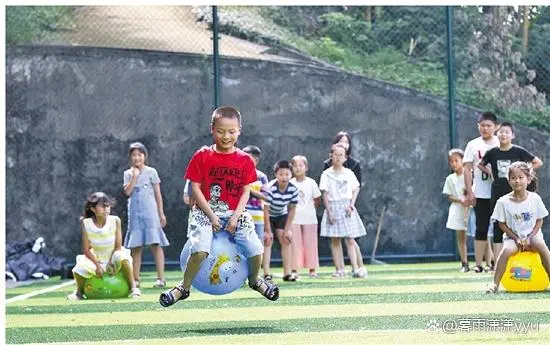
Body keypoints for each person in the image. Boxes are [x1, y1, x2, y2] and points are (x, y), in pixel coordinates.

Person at [159, 106, 279, 307]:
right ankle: (184, 287)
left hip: (235, 212)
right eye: (221, 131)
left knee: (256, 248)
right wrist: (212, 216)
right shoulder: (202, 155)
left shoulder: (245, 160)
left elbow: (245, 191)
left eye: (231, 132)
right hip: (204, 212)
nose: (226, 136)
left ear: (239, 130)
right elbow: (195, 188)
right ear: (212, 129)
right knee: (199, 252)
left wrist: (235, 217)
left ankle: (255, 280)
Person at [478, 122, 543, 263]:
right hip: (498, 194)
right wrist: (491, 173)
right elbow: (480, 164)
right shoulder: (492, 152)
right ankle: (497, 264)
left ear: (512, 135)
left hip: (518, 197)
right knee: (498, 227)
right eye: (501, 132)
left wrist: (526, 174)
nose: (503, 134)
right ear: (497, 134)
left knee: (520, 225)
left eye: (507, 132)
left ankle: (524, 261)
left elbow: (538, 162)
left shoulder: (518, 151)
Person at [485, 162, 550, 293]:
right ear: (508, 180)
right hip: (512, 238)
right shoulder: (502, 202)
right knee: (506, 251)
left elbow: (539, 221)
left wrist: (530, 237)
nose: (517, 181)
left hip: (533, 236)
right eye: (513, 178)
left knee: (542, 247)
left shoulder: (535, 198)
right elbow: (501, 224)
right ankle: (494, 284)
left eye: (521, 177)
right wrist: (516, 239)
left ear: (528, 179)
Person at [67, 192, 141, 300]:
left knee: (123, 257)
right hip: (96, 259)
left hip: (113, 256)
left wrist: (111, 263)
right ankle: (79, 292)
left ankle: (133, 288)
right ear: (93, 209)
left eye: (108, 206)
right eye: (103, 206)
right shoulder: (85, 223)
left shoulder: (115, 220)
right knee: (78, 269)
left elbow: (118, 247)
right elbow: (86, 250)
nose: (106, 209)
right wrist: (97, 266)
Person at [123, 142, 169, 288]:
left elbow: (158, 194)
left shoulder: (151, 172)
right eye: (134, 155)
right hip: (135, 214)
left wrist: (161, 213)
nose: (137, 158)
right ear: (130, 157)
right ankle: (135, 279)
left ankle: (161, 278)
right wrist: (134, 178)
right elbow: (127, 192)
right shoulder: (127, 174)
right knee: (136, 247)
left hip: (151, 212)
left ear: (145, 156)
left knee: (156, 244)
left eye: (139, 155)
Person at [322, 131, 367, 277]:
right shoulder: (326, 172)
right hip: (333, 206)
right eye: (336, 154)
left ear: (346, 155)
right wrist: (328, 211)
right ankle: (340, 269)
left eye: (341, 154)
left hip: (347, 206)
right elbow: (324, 192)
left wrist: (351, 204)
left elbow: (356, 187)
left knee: (350, 238)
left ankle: (357, 267)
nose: (338, 157)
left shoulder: (351, 170)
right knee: (335, 239)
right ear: (331, 154)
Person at [463, 111, 499, 273]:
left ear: (496, 127)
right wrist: (470, 191)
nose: (485, 129)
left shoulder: (501, 142)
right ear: (478, 126)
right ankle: (479, 264)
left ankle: (498, 263)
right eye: (482, 125)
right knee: (481, 227)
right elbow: (467, 169)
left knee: (500, 227)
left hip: (500, 193)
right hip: (481, 192)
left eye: (488, 126)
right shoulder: (473, 144)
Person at [263, 160, 300, 281]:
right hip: (268, 215)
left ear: (291, 174)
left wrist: (287, 230)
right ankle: (266, 273)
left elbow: (292, 210)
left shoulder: (294, 189)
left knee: (286, 239)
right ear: (276, 174)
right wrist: (268, 231)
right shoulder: (270, 188)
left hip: (281, 214)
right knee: (267, 240)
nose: (284, 177)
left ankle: (287, 273)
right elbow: (265, 210)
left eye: (287, 174)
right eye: (281, 174)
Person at [290, 155, 322, 278]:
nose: (298, 168)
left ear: (306, 167)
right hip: (293, 219)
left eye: (301, 165)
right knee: (294, 245)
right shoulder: (290, 183)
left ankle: (312, 270)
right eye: (295, 166)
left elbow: (317, 199)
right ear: (291, 168)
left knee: (311, 244)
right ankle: (294, 270)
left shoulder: (311, 182)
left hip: (310, 218)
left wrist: (309, 209)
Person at [442, 149, 470, 272]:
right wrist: (460, 200)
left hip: (471, 209)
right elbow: (449, 196)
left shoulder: (469, 175)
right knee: (461, 238)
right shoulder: (450, 179)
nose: (454, 164)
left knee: (481, 235)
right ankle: (464, 263)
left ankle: (487, 263)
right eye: (451, 161)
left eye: (456, 160)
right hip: (457, 210)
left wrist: (468, 199)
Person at [242, 145, 270, 242]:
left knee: (258, 248)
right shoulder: (237, 175)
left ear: (256, 161)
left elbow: (266, 197)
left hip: (257, 218)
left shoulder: (261, 177)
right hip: (241, 218)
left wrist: (249, 190)